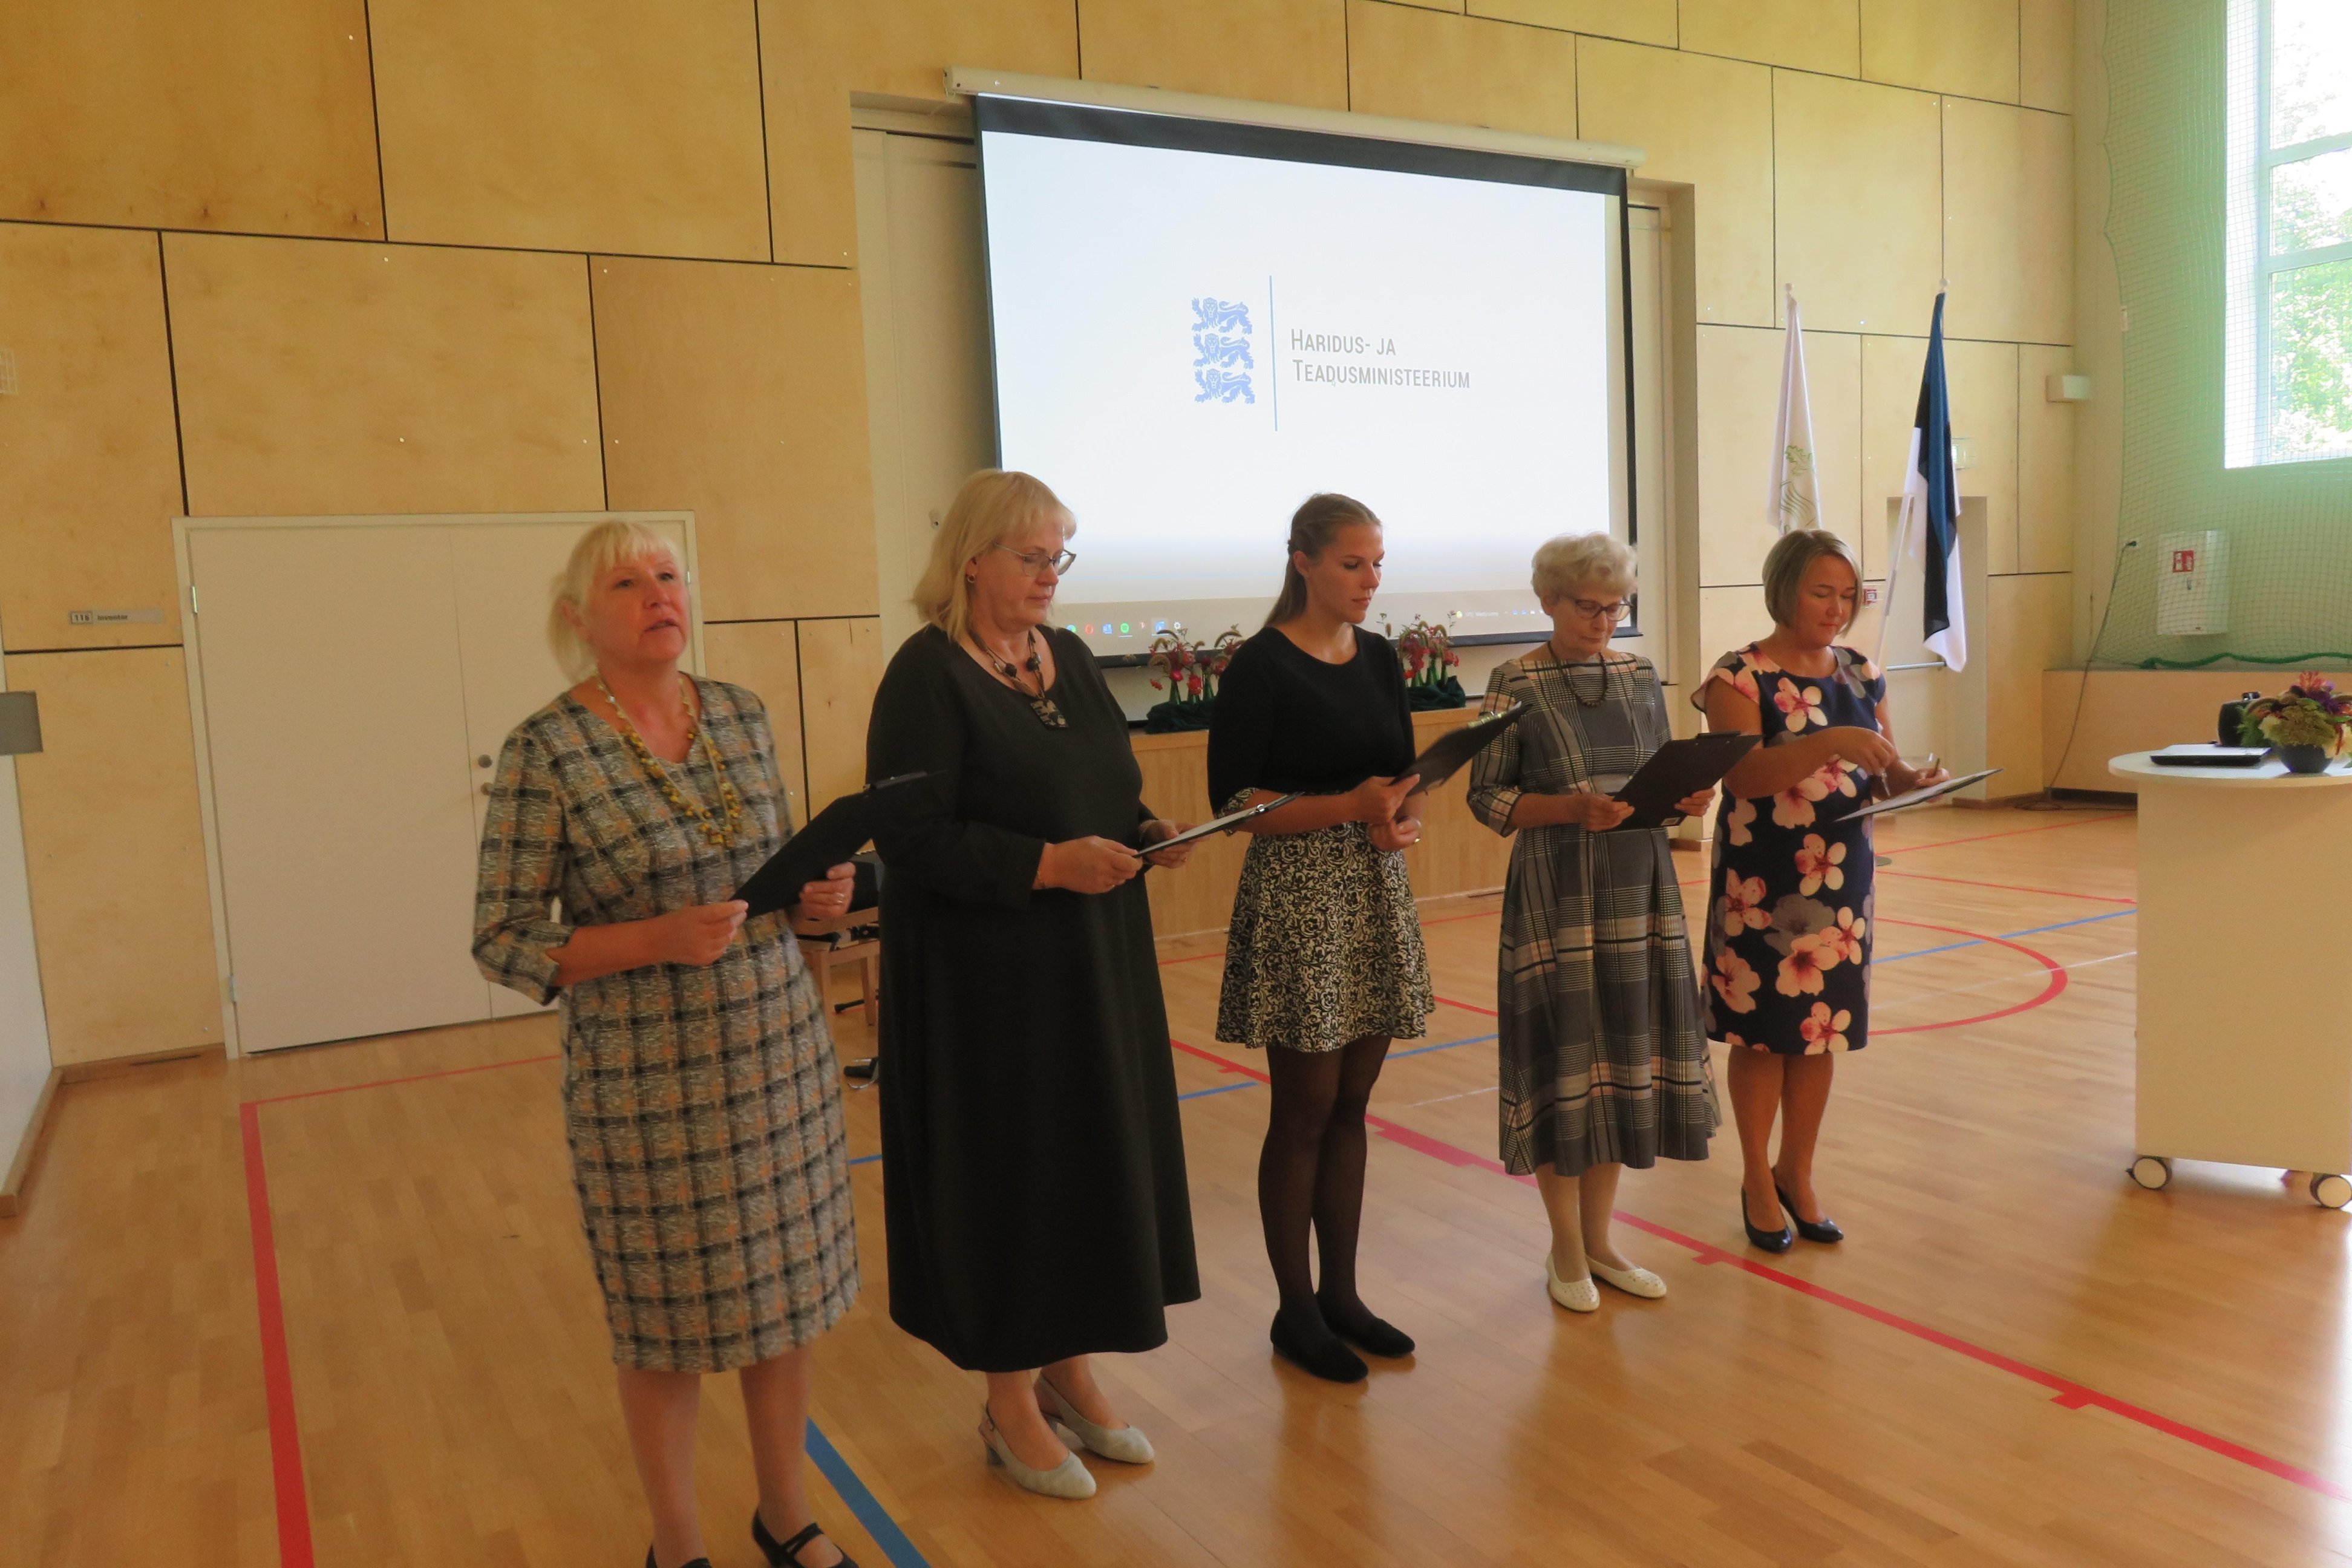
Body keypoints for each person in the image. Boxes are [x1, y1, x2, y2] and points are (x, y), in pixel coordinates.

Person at [473, 520, 863, 1568]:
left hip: (779, 1058)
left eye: (668, 574)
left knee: (787, 1303)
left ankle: (784, 1515)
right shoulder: (546, 749)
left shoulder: (739, 713)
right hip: (648, 1089)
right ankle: (678, 1544)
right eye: (626, 582)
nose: (657, 594)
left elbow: (773, 882)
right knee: (665, 1326)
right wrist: (652, 938)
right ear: (577, 617)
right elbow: (503, 939)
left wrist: (819, 899)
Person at [864, 469, 1201, 1503]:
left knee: (1088, 1159)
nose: (1051, 573)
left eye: (1061, 555)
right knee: (1017, 1174)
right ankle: (1007, 1400)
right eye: (1032, 556)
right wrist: (1047, 865)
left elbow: (1103, 788)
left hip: (1094, 959)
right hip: (986, 983)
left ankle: (1068, 1370)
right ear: (972, 560)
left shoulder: (1070, 659)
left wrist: (1148, 831)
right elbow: (909, 837)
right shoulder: (926, 674)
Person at [1209, 492, 1436, 1385]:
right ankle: (1294, 1311)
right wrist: (1347, 808)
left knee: (1351, 1106)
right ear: (1302, 562)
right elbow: (1234, 806)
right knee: (1302, 1112)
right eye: (1352, 563)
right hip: (1299, 898)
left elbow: (1403, 776)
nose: (1370, 579)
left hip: (1372, 889)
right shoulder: (1260, 665)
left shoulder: (1379, 657)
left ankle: (1341, 1295)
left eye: (1378, 563)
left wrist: (1400, 819)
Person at [1466, 534, 1719, 1313]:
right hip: (1560, 891)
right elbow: (1487, 797)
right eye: (1588, 607)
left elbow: (1658, 775)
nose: (1604, 621)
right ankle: (1566, 1248)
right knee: (1566, 1063)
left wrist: (1690, 797)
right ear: (1548, 599)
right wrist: (1569, 809)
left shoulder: (1640, 675)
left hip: (1639, 885)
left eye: (1616, 608)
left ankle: (1602, 1242)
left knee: (1621, 1061)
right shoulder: (1513, 681)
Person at [1696, 527, 1948, 1252]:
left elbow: (1886, 771)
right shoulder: (1738, 676)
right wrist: (1830, 741)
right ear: (1784, 592)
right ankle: (1755, 1178)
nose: (1837, 608)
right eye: (1821, 593)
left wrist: (1914, 780)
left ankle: (1796, 1173)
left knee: (1818, 1032)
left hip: (1842, 880)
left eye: (1847, 595)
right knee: (1762, 1035)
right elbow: (1746, 777)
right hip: (1761, 882)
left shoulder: (1862, 672)